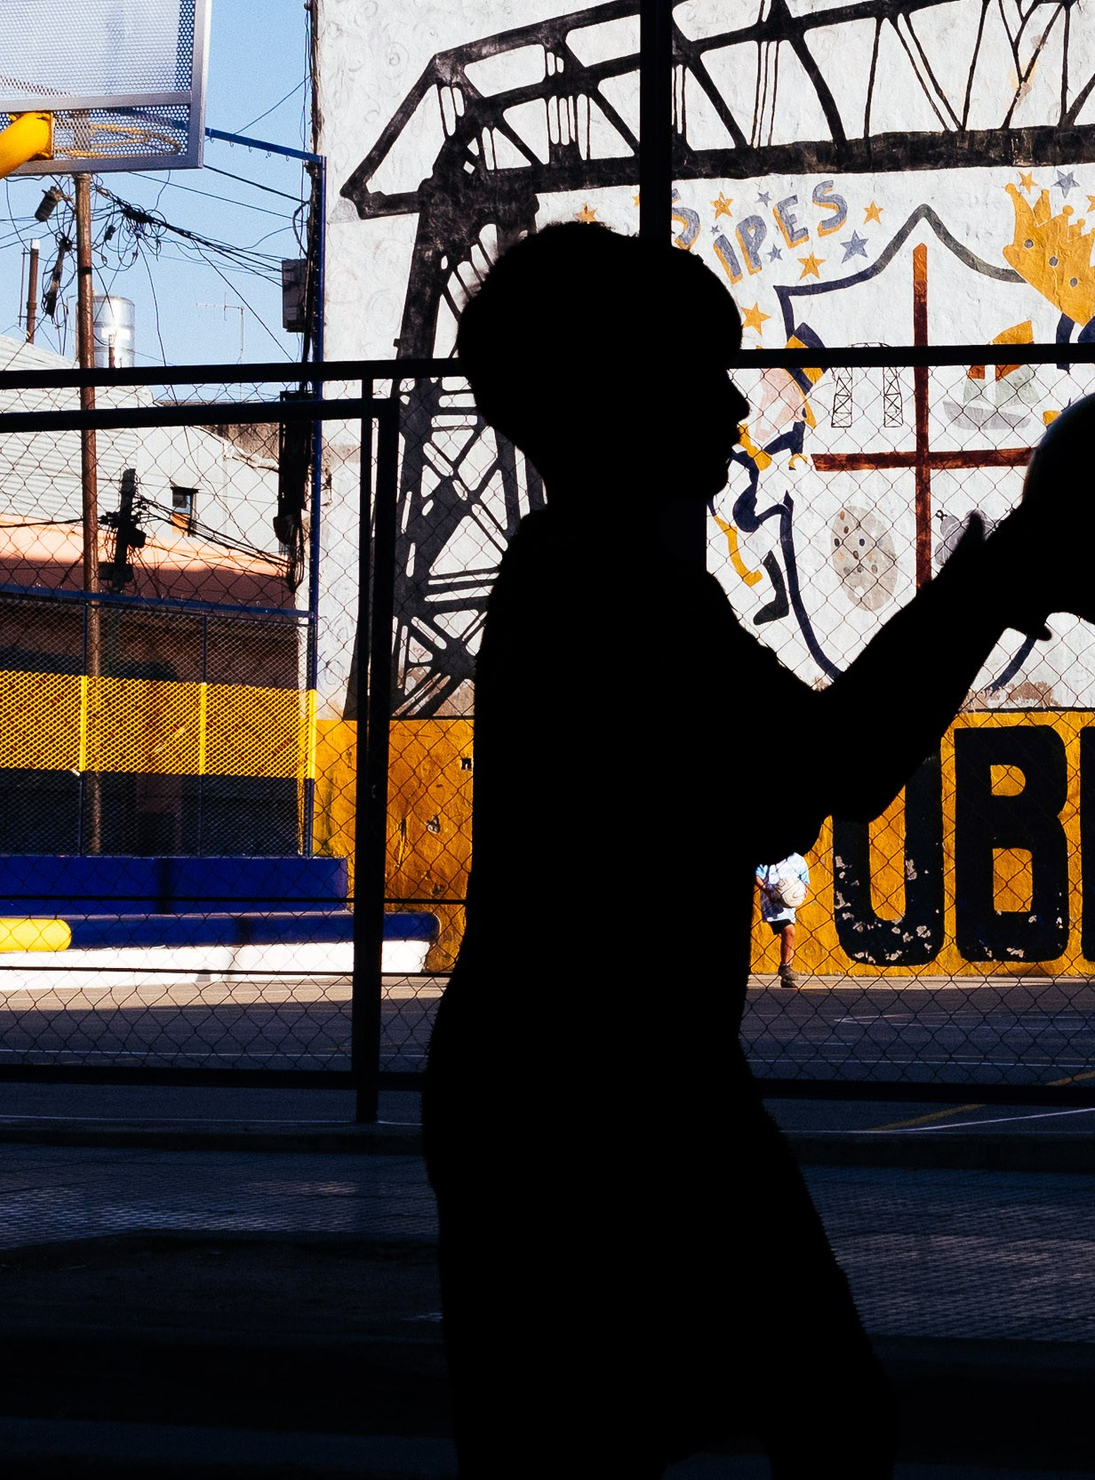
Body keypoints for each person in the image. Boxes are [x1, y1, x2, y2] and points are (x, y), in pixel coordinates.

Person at [426, 223, 1051, 1478]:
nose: (727, 403)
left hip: (581, 1089)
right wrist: (979, 596)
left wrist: (976, 597)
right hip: (603, 1095)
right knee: (822, 1416)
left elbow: (804, 761)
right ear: (625, 398)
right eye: (696, 375)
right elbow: (811, 774)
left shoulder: (608, 578)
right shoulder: (606, 591)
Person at [757, 851, 812, 989]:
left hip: (788, 904)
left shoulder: (798, 860)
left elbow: (805, 882)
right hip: (771, 902)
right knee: (789, 930)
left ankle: (786, 975)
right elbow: (757, 875)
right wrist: (767, 891)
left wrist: (803, 891)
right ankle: (785, 967)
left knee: (789, 934)